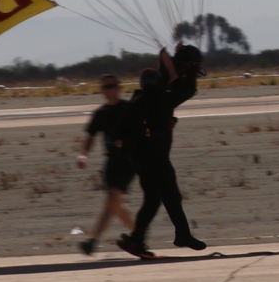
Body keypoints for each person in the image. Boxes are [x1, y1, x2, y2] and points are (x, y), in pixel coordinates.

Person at [116, 44, 206, 258]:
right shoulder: (163, 100)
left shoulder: (138, 99)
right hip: (156, 158)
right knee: (171, 195)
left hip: (139, 159)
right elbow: (188, 90)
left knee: (153, 198)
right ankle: (182, 234)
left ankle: (136, 240)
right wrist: (192, 70)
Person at [76, 73, 135, 256]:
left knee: (112, 198)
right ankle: (138, 234)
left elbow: (142, 131)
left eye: (111, 86)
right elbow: (90, 137)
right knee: (114, 203)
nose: (108, 90)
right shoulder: (101, 114)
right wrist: (83, 154)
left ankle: (93, 242)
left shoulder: (130, 109)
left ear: (119, 88)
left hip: (129, 160)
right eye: (104, 87)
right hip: (110, 161)